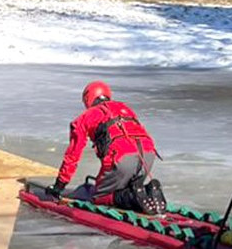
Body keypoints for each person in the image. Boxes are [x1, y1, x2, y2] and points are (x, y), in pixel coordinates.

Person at [49, 81, 167, 214]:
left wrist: (59, 185)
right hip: (148, 156)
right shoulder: (124, 108)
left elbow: (73, 155)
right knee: (123, 186)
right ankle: (146, 189)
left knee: (99, 197)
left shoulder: (85, 117)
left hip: (122, 159)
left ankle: (132, 195)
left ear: (88, 98)